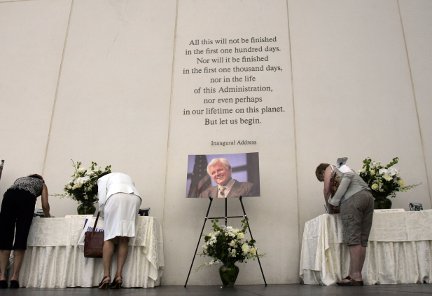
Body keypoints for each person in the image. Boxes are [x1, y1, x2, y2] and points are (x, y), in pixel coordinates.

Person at [315, 159, 374, 286]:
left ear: (321, 172)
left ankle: (355, 276)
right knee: (363, 239)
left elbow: (326, 190)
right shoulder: (344, 168)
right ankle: (357, 274)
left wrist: (330, 206)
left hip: (352, 200)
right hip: (368, 197)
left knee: (353, 238)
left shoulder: (328, 168)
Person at [0, 174, 50, 289]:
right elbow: (45, 205)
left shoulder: (18, 179)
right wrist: (47, 217)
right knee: (21, 235)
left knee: (5, 236)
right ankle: (14, 278)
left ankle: (2, 277)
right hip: (26, 198)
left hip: (9, 196)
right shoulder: (42, 183)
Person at [96, 172, 142, 289]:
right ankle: (119, 276)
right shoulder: (126, 175)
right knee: (124, 238)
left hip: (115, 197)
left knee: (109, 237)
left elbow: (101, 200)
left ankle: (106, 276)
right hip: (135, 198)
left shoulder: (102, 179)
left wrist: (103, 214)